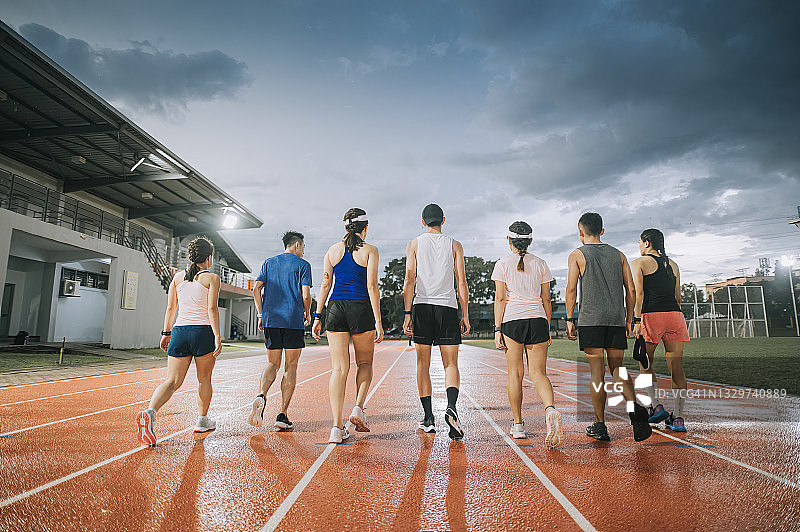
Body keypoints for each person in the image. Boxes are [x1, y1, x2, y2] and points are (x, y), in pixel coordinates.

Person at [565, 213, 652, 442]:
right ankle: (635, 407)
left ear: (580, 232)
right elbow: (631, 290)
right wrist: (630, 319)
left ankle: (600, 425)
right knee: (617, 369)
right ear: (602, 231)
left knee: (597, 372)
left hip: (591, 320)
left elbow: (571, 290)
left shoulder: (577, 254)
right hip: (615, 319)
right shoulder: (619, 254)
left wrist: (569, 318)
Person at [136, 236, 222, 446]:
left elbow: (170, 308)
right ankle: (202, 420)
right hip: (202, 332)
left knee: (172, 381)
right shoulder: (212, 278)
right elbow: (212, 309)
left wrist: (166, 333)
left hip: (180, 331)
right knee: (204, 380)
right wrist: (218, 336)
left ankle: (150, 412)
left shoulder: (177, 278)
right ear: (208, 257)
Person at [312, 208, 383, 444]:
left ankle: (336, 427)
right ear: (365, 228)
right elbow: (372, 287)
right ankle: (358, 408)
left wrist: (317, 315)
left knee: (339, 369)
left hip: (335, 308)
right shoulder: (370, 251)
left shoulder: (332, 251)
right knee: (364, 363)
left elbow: (324, 285)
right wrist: (379, 321)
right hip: (360, 308)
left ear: (345, 227)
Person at [492, 221, 563, 447]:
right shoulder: (541, 264)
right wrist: (548, 326)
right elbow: (546, 299)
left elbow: (501, 298)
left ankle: (518, 425)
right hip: (538, 319)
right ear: (530, 241)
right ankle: (550, 410)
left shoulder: (502, 264)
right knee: (539, 373)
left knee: (515, 374)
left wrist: (497, 329)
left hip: (513, 320)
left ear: (509, 240)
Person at [403, 203, 470, 440]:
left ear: (423, 222)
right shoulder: (455, 245)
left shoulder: (414, 243)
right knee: (450, 364)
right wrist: (466, 314)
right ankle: (451, 407)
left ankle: (429, 418)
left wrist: (407, 312)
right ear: (443, 220)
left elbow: (409, 279)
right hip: (448, 307)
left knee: (423, 364)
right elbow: (461, 282)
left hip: (422, 306)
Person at [248, 231, 312, 430]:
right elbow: (306, 294)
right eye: (303, 247)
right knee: (290, 366)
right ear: (297, 245)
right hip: (293, 320)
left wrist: (261, 314)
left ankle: (261, 395)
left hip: (271, 319)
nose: (303, 251)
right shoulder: (303, 265)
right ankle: (282, 415)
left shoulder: (269, 262)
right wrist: (307, 313)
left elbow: (256, 289)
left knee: (272, 363)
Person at [631, 228, 690, 432]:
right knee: (677, 368)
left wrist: (636, 320)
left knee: (645, 362)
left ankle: (655, 405)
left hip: (651, 316)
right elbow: (678, 296)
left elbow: (639, 293)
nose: (639, 246)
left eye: (639, 242)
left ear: (647, 243)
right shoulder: (673, 264)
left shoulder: (638, 263)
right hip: (675, 316)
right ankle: (679, 417)